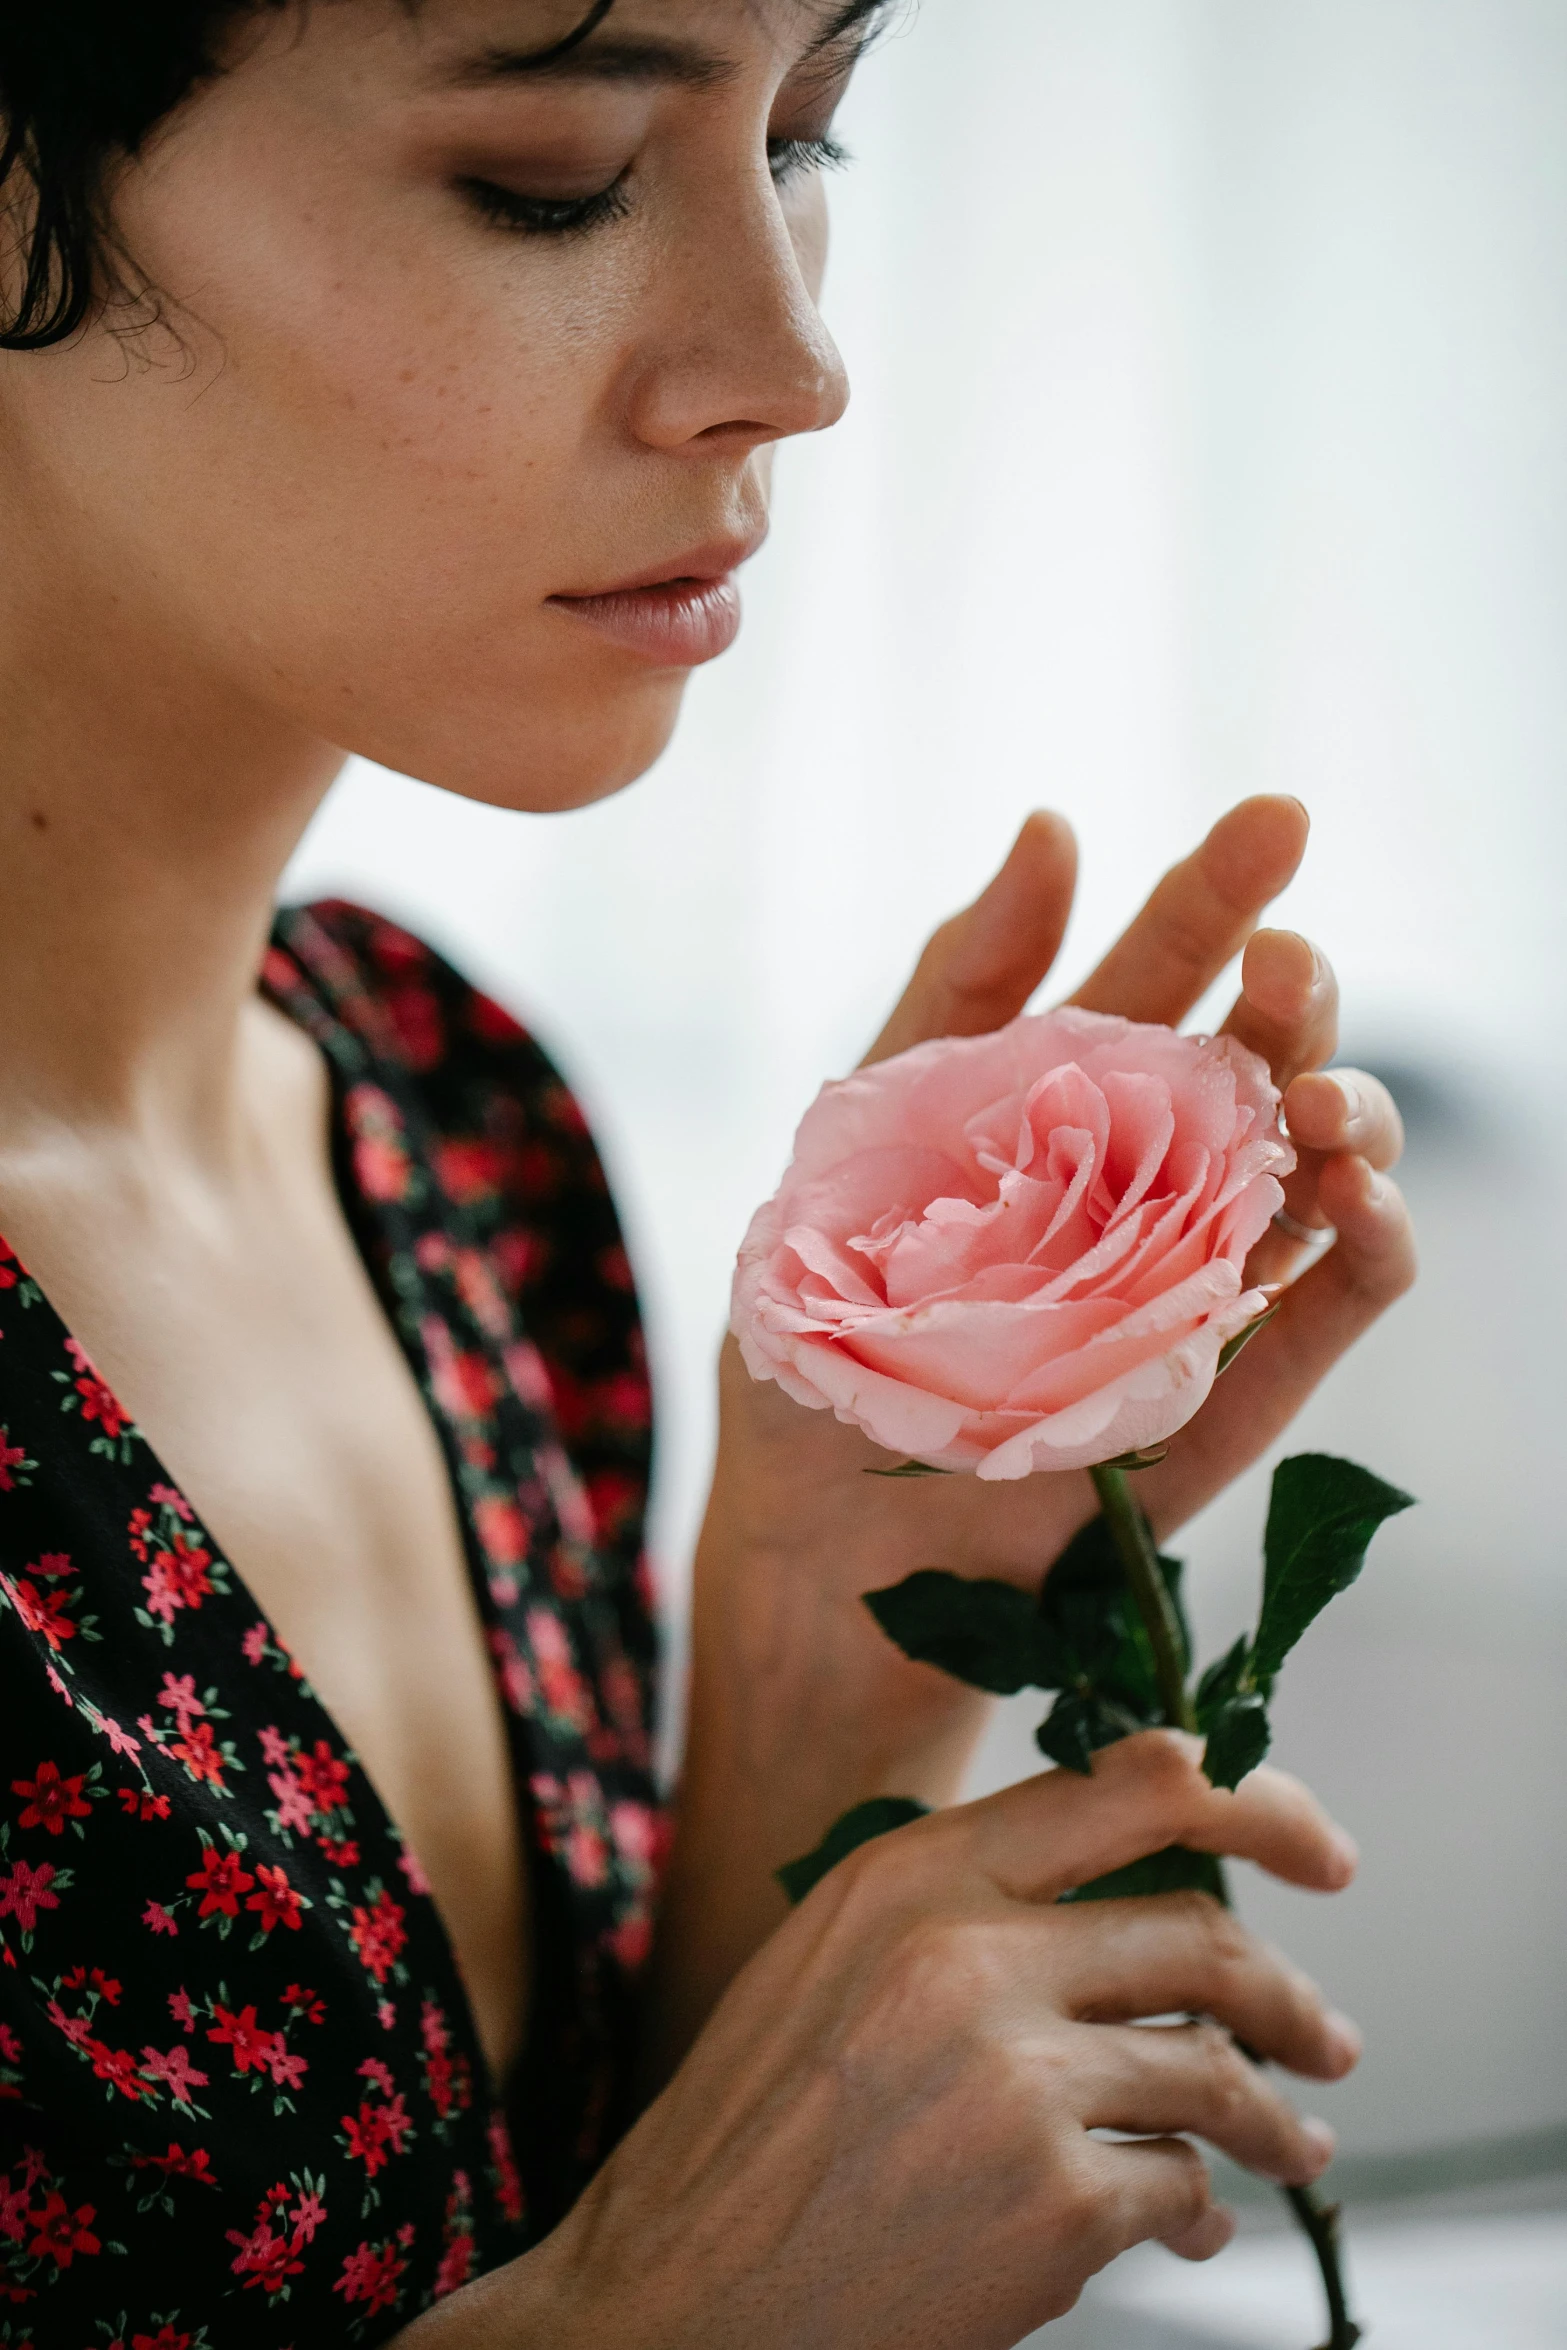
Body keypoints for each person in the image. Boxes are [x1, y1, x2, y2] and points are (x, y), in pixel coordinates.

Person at [0, 2, 1415, 2342]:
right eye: (549, 178)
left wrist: (816, 1650)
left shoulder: (455, 1118)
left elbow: (597, 2208)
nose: (795, 357)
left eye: (809, 134)